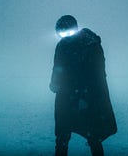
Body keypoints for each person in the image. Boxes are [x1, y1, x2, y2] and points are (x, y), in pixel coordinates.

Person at [50, 15, 117, 156]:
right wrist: (54, 82)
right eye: (62, 33)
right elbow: (57, 66)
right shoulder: (62, 45)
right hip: (65, 96)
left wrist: (85, 97)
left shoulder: (89, 45)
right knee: (62, 134)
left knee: (92, 134)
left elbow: (96, 75)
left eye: (68, 32)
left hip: (87, 97)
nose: (65, 36)